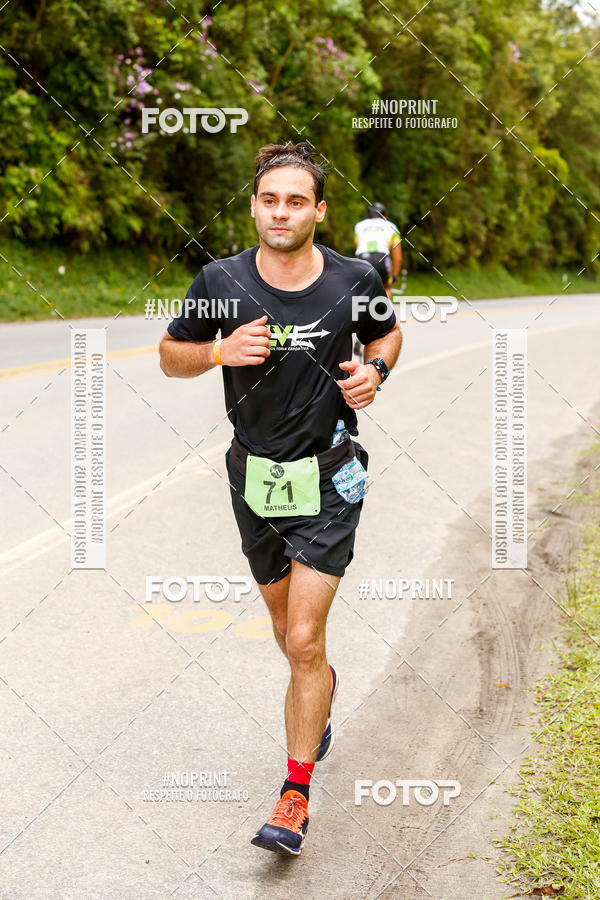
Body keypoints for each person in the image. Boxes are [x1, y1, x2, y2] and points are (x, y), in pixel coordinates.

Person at [159, 141, 402, 856]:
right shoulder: (220, 279)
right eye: (270, 199)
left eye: (297, 200)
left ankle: (294, 793)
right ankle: (319, 684)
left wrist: (375, 375)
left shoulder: (357, 277)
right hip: (254, 479)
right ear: (254, 204)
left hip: (330, 477)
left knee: (301, 636)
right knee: (286, 632)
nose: (281, 211)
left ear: (319, 211)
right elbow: (171, 354)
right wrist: (216, 353)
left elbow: (386, 333)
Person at [354, 202, 402, 300]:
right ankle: (384, 313)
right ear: (384, 216)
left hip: (362, 259)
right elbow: (398, 258)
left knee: (363, 291)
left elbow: (358, 246)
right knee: (386, 287)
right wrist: (394, 277)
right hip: (382, 259)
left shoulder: (359, 226)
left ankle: (362, 314)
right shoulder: (391, 226)